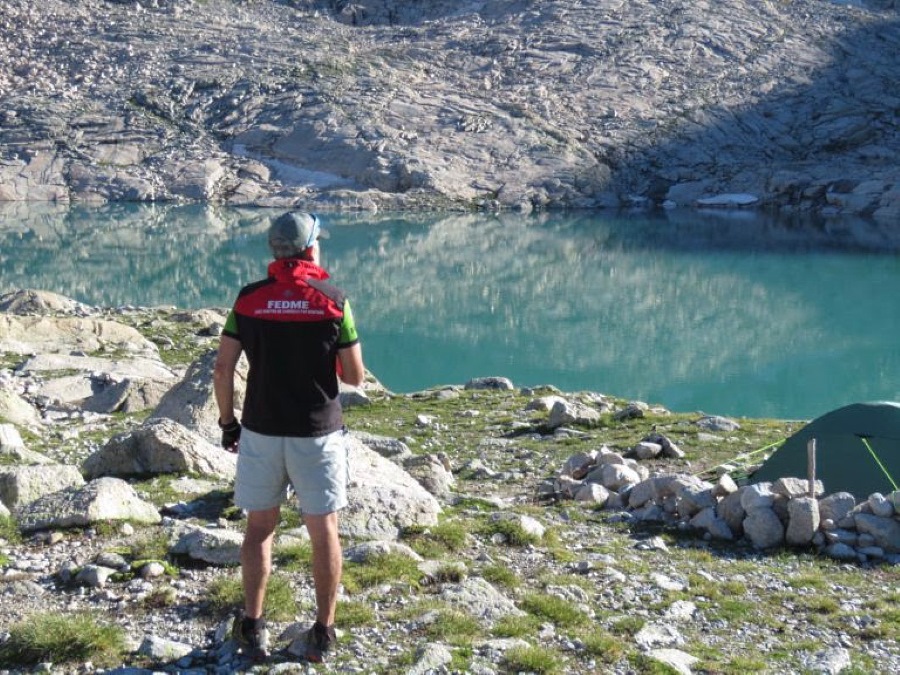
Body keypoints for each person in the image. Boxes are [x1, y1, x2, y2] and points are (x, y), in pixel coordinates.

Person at [213, 211, 365, 663]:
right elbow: (354, 375)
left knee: (259, 529)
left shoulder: (248, 300)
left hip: (260, 429)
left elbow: (224, 367)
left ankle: (254, 626)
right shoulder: (333, 299)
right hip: (317, 433)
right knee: (324, 532)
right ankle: (323, 631)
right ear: (312, 248)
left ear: (274, 251)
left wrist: (228, 423)